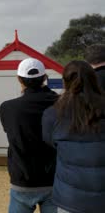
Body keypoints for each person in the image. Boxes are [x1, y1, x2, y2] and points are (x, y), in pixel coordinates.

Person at [43, 61, 105, 213]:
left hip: (69, 198)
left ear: (65, 82)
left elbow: (50, 142)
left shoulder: (52, 114)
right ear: (94, 80)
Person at [0, 58, 59, 213]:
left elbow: (10, 131)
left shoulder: (8, 108)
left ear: (19, 79)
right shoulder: (62, 103)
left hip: (23, 179)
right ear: (44, 78)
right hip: (55, 179)